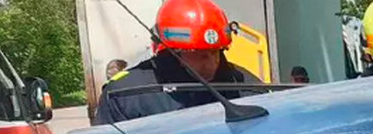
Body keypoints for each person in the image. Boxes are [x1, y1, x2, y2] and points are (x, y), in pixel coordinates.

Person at [94, 0, 261, 125]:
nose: (211, 63)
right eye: (200, 54)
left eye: (216, 52)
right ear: (174, 53)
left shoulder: (247, 87)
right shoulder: (127, 96)